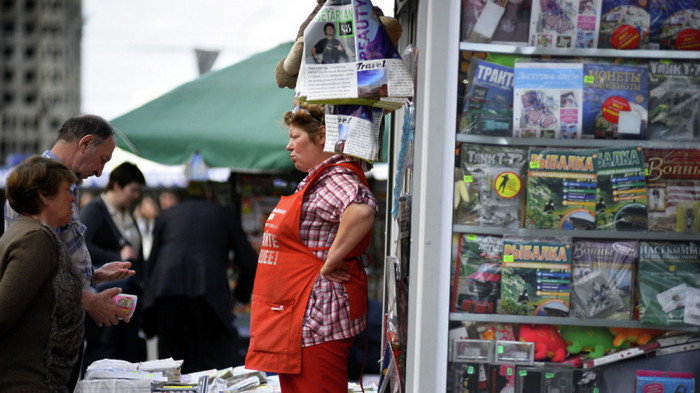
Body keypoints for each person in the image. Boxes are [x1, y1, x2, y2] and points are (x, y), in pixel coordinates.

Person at [245, 102, 378, 392]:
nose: (288, 146)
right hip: (300, 321)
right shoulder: (317, 180)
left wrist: (333, 259)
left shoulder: (336, 177)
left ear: (322, 136)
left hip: (318, 322)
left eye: (295, 137)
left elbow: (362, 209)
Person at [3, 114, 134, 386]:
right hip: (34, 370)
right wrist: (89, 299)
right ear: (85, 143)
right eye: (103, 160)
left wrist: (93, 276)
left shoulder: (51, 191)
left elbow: (45, 269)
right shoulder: (36, 222)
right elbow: (28, 282)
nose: (100, 172)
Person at [142, 181, 258, 374]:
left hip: (167, 292)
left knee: (170, 366)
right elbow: (249, 262)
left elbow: (152, 263)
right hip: (208, 295)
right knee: (211, 365)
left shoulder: (166, 216)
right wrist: (239, 296)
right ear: (212, 195)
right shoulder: (224, 214)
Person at [0, 156, 83, 392]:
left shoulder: (29, 233)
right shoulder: (36, 239)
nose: (73, 198)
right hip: (25, 382)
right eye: (67, 190)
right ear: (43, 196)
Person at [80, 162, 148, 370]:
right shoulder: (95, 210)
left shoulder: (126, 213)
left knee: (125, 358)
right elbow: (83, 247)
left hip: (125, 304)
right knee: (105, 357)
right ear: (117, 185)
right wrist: (117, 256)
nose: (136, 196)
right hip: (106, 301)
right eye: (133, 190)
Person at [134, 193, 159, 260]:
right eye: (147, 205)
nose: (152, 208)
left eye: (152, 204)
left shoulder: (157, 223)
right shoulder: (137, 223)